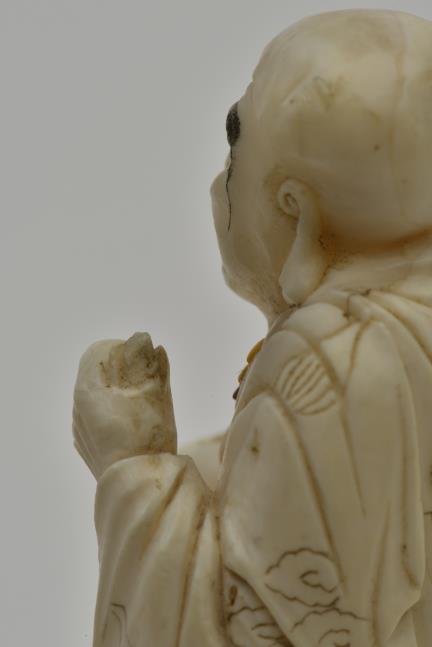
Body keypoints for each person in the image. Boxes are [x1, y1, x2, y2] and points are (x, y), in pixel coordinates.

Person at [74, 10, 432, 646]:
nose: (220, 182)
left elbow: (244, 630)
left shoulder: (328, 365)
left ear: (299, 216)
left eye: (235, 155)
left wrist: (132, 466)